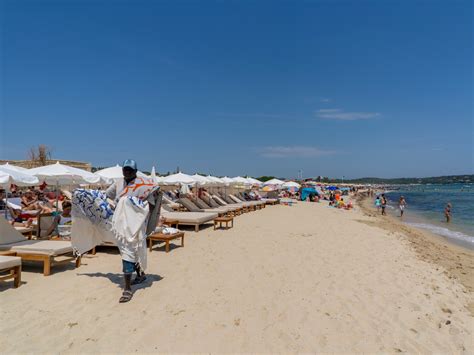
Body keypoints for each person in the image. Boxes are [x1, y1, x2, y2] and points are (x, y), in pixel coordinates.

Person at [105, 159, 161, 303]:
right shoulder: (118, 183)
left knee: (130, 251)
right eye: (125, 169)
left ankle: (128, 289)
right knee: (129, 251)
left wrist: (132, 205)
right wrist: (116, 206)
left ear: (135, 172)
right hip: (121, 223)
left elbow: (150, 203)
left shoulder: (143, 185)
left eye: (130, 170)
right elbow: (107, 195)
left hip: (136, 225)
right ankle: (140, 275)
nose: (127, 172)